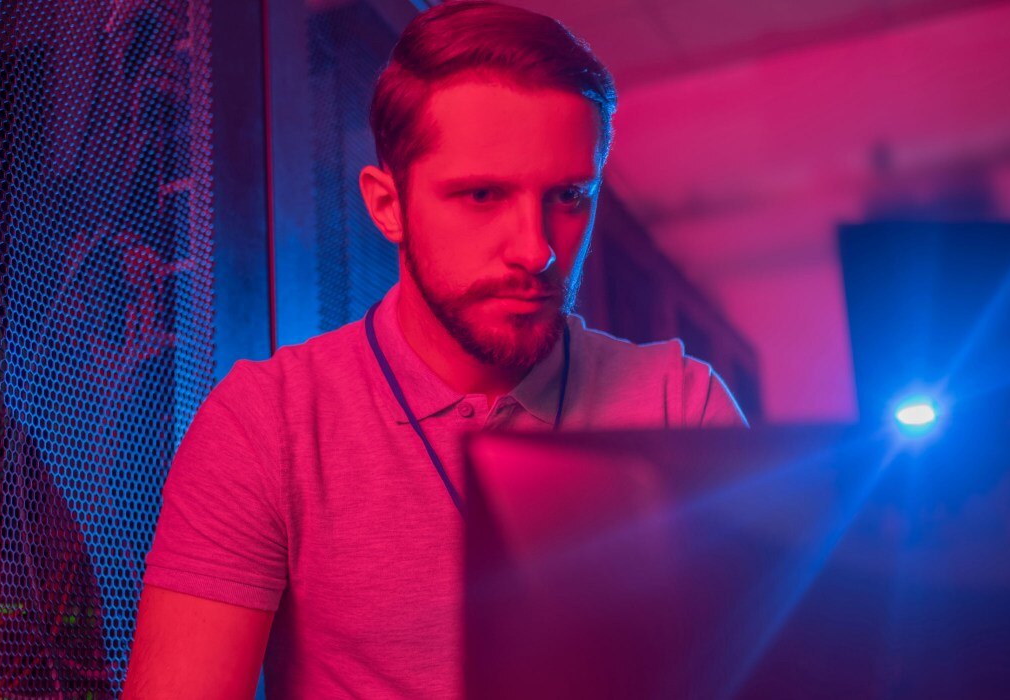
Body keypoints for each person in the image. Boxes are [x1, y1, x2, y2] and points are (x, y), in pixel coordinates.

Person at [125, 1, 746, 697]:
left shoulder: (678, 403)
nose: (537, 250)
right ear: (388, 205)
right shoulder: (266, 425)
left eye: (569, 195)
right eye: (482, 194)